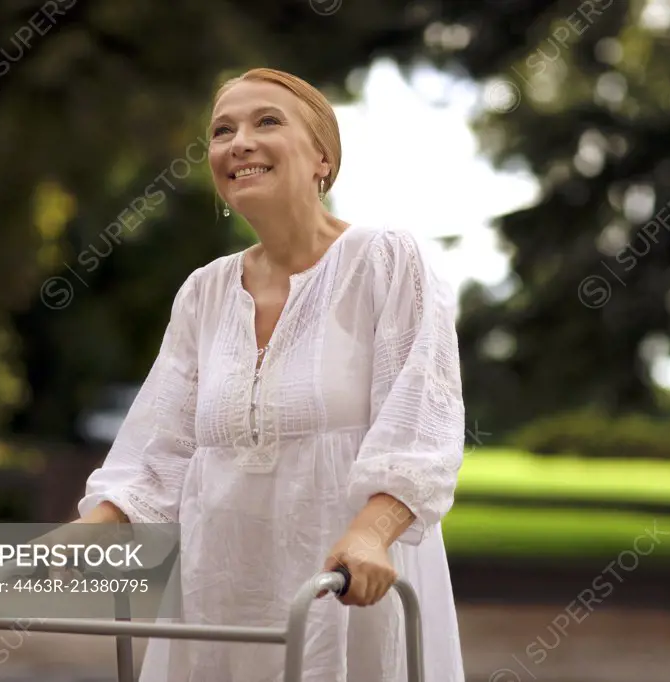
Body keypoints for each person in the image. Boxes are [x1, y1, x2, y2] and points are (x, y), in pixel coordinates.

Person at [71, 67, 467, 682]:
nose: (239, 142)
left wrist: (370, 534)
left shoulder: (384, 259)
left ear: (322, 159)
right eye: (222, 131)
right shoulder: (203, 292)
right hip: (220, 593)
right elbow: (161, 447)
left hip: (344, 587)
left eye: (267, 122)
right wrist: (90, 529)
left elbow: (421, 424)